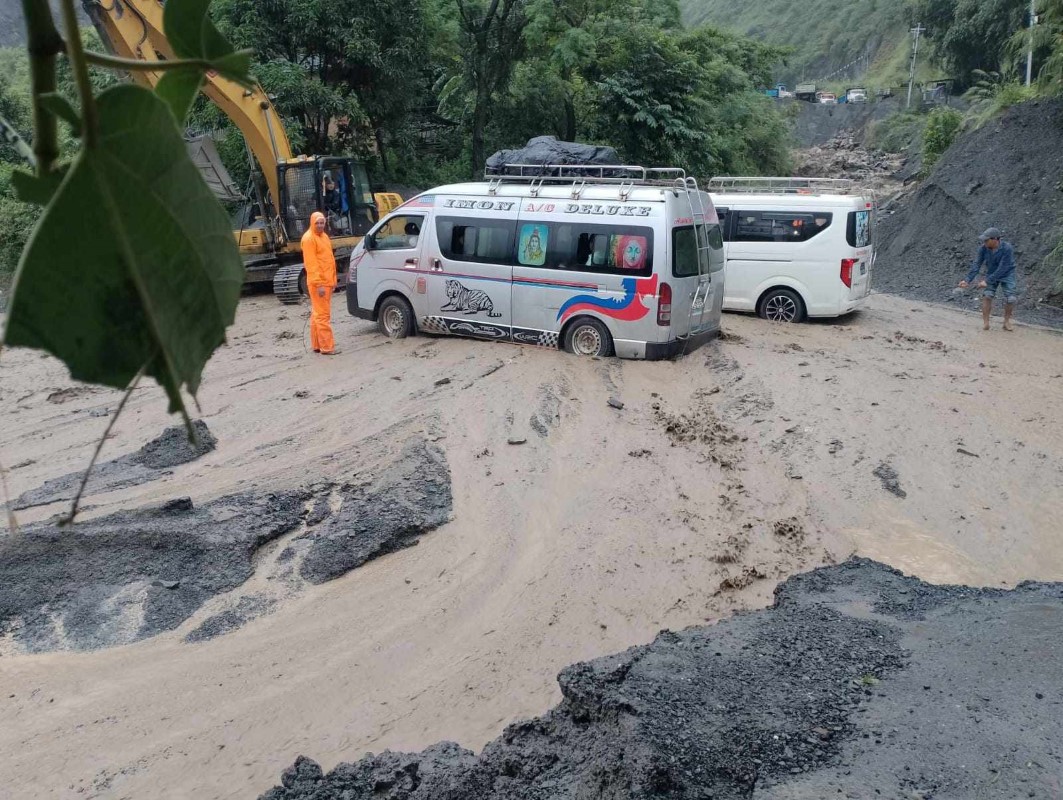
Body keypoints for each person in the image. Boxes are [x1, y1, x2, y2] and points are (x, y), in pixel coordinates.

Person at [959, 227, 1017, 332]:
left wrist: (987, 281)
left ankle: (1006, 322)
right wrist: (967, 280)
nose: (984, 242)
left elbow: (1003, 268)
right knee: (987, 295)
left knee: (1011, 298)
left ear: (995, 239)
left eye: (986, 240)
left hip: (1007, 273)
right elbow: (977, 264)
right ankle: (986, 323)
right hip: (992, 272)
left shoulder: (1007, 248)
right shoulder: (983, 249)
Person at [301, 211, 341, 355]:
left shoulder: (324, 237)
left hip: (326, 282)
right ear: (312, 222)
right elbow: (311, 265)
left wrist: (333, 280)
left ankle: (317, 345)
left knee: (317, 314)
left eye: (322, 222)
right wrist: (319, 285)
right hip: (319, 284)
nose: (319, 225)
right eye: (317, 223)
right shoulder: (309, 239)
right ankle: (327, 347)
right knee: (323, 316)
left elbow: (329, 260)